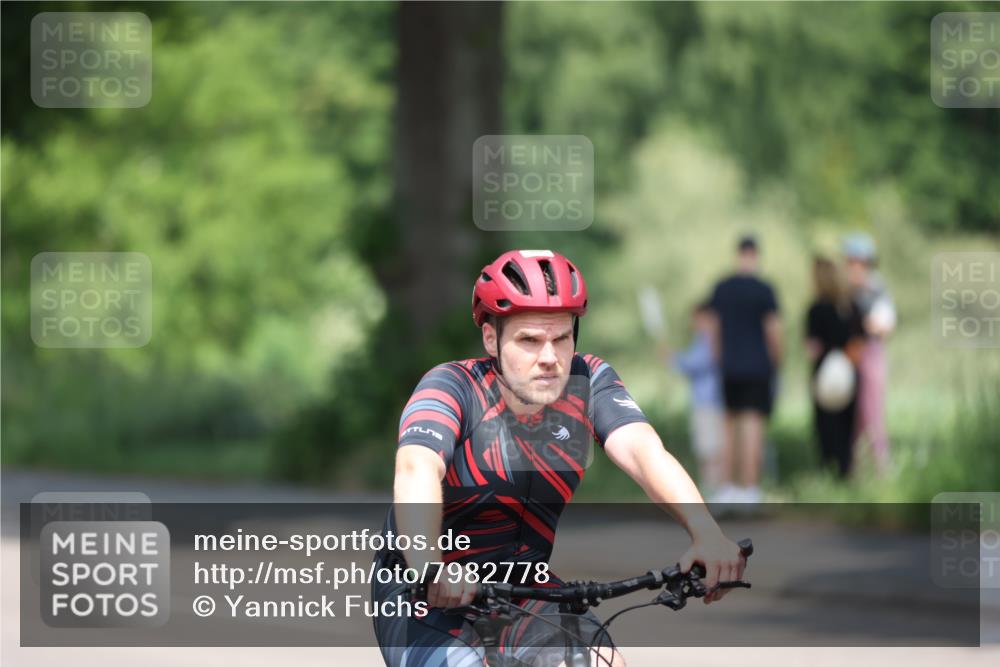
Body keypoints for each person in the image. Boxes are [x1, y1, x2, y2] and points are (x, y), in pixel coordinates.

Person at [374, 249, 746, 667]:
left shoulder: (588, 382)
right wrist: (429, 566)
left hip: (525, 591)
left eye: (562, 338)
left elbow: (644, 452)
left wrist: (706, 532)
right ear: (491, 338)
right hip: (424, 592)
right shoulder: (452, 387)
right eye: (529, 340)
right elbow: (416, 468)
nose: (549, 357)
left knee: (606, 663)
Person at [707, 236, 782, 504]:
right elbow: (773, 331)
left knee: (728, 425)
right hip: (758, 367)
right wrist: (776, 362)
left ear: (738, 254)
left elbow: (713, 329)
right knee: (752, 426)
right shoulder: (765, 290)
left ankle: (727, 487)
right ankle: (750, 488)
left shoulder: (722, 288)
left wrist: (718, 360)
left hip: (730, 366)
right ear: (756, 255)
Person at [805, 257, 865, 478]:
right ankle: (845, 471)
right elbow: (860, 343)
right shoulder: (851, 306)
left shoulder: (816, 308)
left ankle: (827, 471)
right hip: (849, 373)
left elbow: (812, 347)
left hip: (824, 375)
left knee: (825, 427)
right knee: (846, 427)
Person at [842, 232, 896, 474]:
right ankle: (853, 468)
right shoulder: (846, 290)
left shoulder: (875, 289)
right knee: (851, 416)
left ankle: (881, 467)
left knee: (872, 412)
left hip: (870, 354)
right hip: (849, 355)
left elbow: (884, 325)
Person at [667, 302, 725, 497]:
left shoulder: (709, 339)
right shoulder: (708, 339)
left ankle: (714, 490)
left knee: (711, 449)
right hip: (709, 402)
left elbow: (696, 363)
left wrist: (673, 358)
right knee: (709, 448)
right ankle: (713, 489)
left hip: (709, 403)